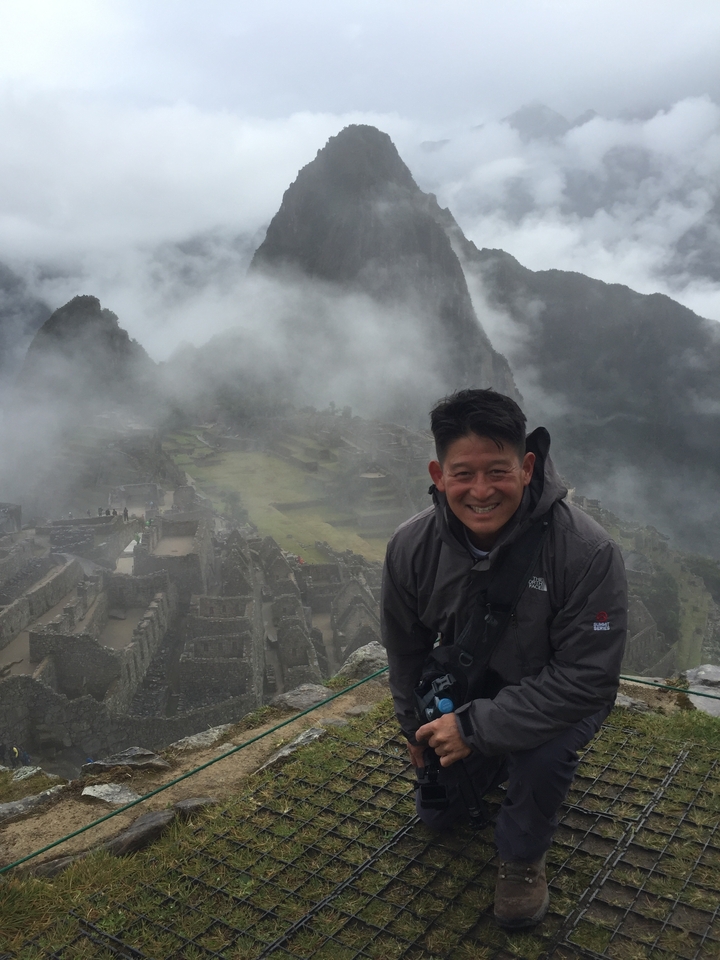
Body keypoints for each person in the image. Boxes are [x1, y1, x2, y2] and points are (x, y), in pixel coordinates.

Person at [381, 389, 627, 929]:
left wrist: (472, 728)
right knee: (439, 816)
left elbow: (587, 678)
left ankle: (521, 858)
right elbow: (405, 647)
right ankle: (488, 758)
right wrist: (414, 726)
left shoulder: (586, 552)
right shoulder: (411, 546)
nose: (481, 490)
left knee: (542, 754)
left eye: (498, 471)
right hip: (472, 683)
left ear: (527, 467)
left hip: (559, 695)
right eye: (463, 474)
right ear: (438, 475)